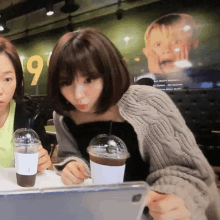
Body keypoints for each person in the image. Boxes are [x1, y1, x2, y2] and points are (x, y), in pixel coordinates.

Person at [47, 28, 220, 220]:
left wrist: (175, 197)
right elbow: (70, 154)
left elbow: (186, 170)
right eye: (65, 82)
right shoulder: (63, 115)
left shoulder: (149, 103)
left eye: (89, 79)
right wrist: (73, 165)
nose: (78, 94)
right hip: (97, 211)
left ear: (109, 73)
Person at [0, 37, 51, 172]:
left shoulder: (30, 115)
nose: (0, 90)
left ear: (17, 80)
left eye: (7, 79)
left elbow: (46, 164)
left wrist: (43, 161)